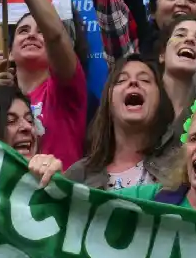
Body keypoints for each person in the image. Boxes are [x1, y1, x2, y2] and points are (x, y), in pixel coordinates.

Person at [0, 0, 88, 169]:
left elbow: (55, 34)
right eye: (23, 31)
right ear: (10, 51)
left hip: (57, 200)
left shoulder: (65, 91)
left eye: (40, 31)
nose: (33, 35)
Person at [64, 55, 176, 190]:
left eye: (145, 80)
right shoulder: (79, 175)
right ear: (108, 102)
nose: (133, 82)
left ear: (159, 101)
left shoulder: (178, 165)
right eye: (121, 80)